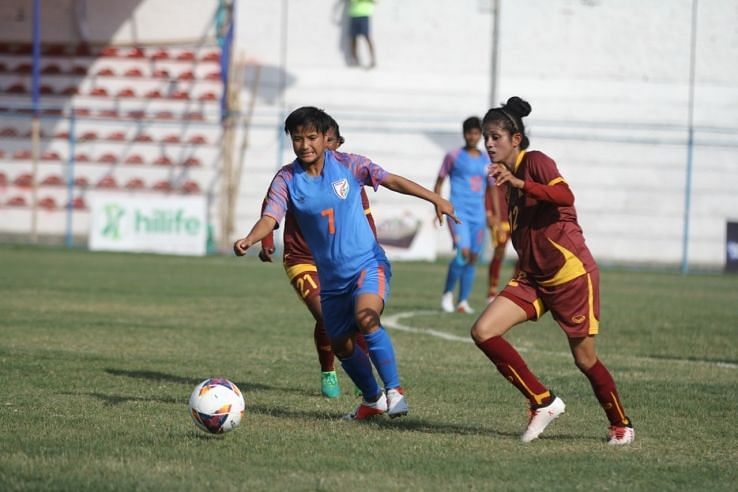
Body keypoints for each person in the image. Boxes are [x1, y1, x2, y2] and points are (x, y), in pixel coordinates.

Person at [234, 106, 458, 420]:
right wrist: (249, 238)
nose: (304, 145)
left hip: (367, 264)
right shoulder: (287, 178)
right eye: (297, 139)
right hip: (331, 279)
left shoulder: (350, 165)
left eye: (311, 137)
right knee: (340, 343)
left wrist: (436, 198)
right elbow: (270, 216)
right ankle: (372, 400)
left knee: (366, 317)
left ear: (326, 139)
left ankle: (394, 391)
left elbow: (391, 180)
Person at [470, 96, 635, 445]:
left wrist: (519, 184)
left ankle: (621, 425)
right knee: (484, 331)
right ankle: (543, 401)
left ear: (516, 139)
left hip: (570, 277)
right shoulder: (506, 179)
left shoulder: (536, 162)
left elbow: (565, 197)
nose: (488, 143)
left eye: (495, 136)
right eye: (486, 136)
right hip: (533, 277)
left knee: (584, 359)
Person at [258, 117, 372, 399]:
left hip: (343, 260)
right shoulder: (291, 177)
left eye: (329, 142)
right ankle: (328, 370)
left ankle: (363, 375)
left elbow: (366, 219)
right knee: (328, 316)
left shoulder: (346, 178)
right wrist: (265, 239)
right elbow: (271, 208)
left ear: (334, 143)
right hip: (302, 258)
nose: (323, 148)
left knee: (358, 317)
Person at [435, 116, 491, 314]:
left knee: (474, 257)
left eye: (476, 133)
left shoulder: (487, 159)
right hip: (458, 212)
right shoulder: (453, 156)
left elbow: (493, 190)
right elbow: (440, 181)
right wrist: (438, 205)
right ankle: (447, 294)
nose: (472, 136)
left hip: (478, 214)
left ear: (480, 135)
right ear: (464, 134)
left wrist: (493, 214)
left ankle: (463, 301)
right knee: (463, 253)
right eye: (469, 132)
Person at [485, 180, 512, 303]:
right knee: (499, 252)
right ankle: (492, 290)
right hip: (500, 221)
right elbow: (489, 191)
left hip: (516, 220)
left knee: (525, 255)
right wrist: (489, 213)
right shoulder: (496, 174)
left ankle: (514, 288)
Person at [347, 0, 376, 68]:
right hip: (354, 14)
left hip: (364, 14)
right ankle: (354, 61)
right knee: (353, 38)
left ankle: (373, 60)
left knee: (367, 37)